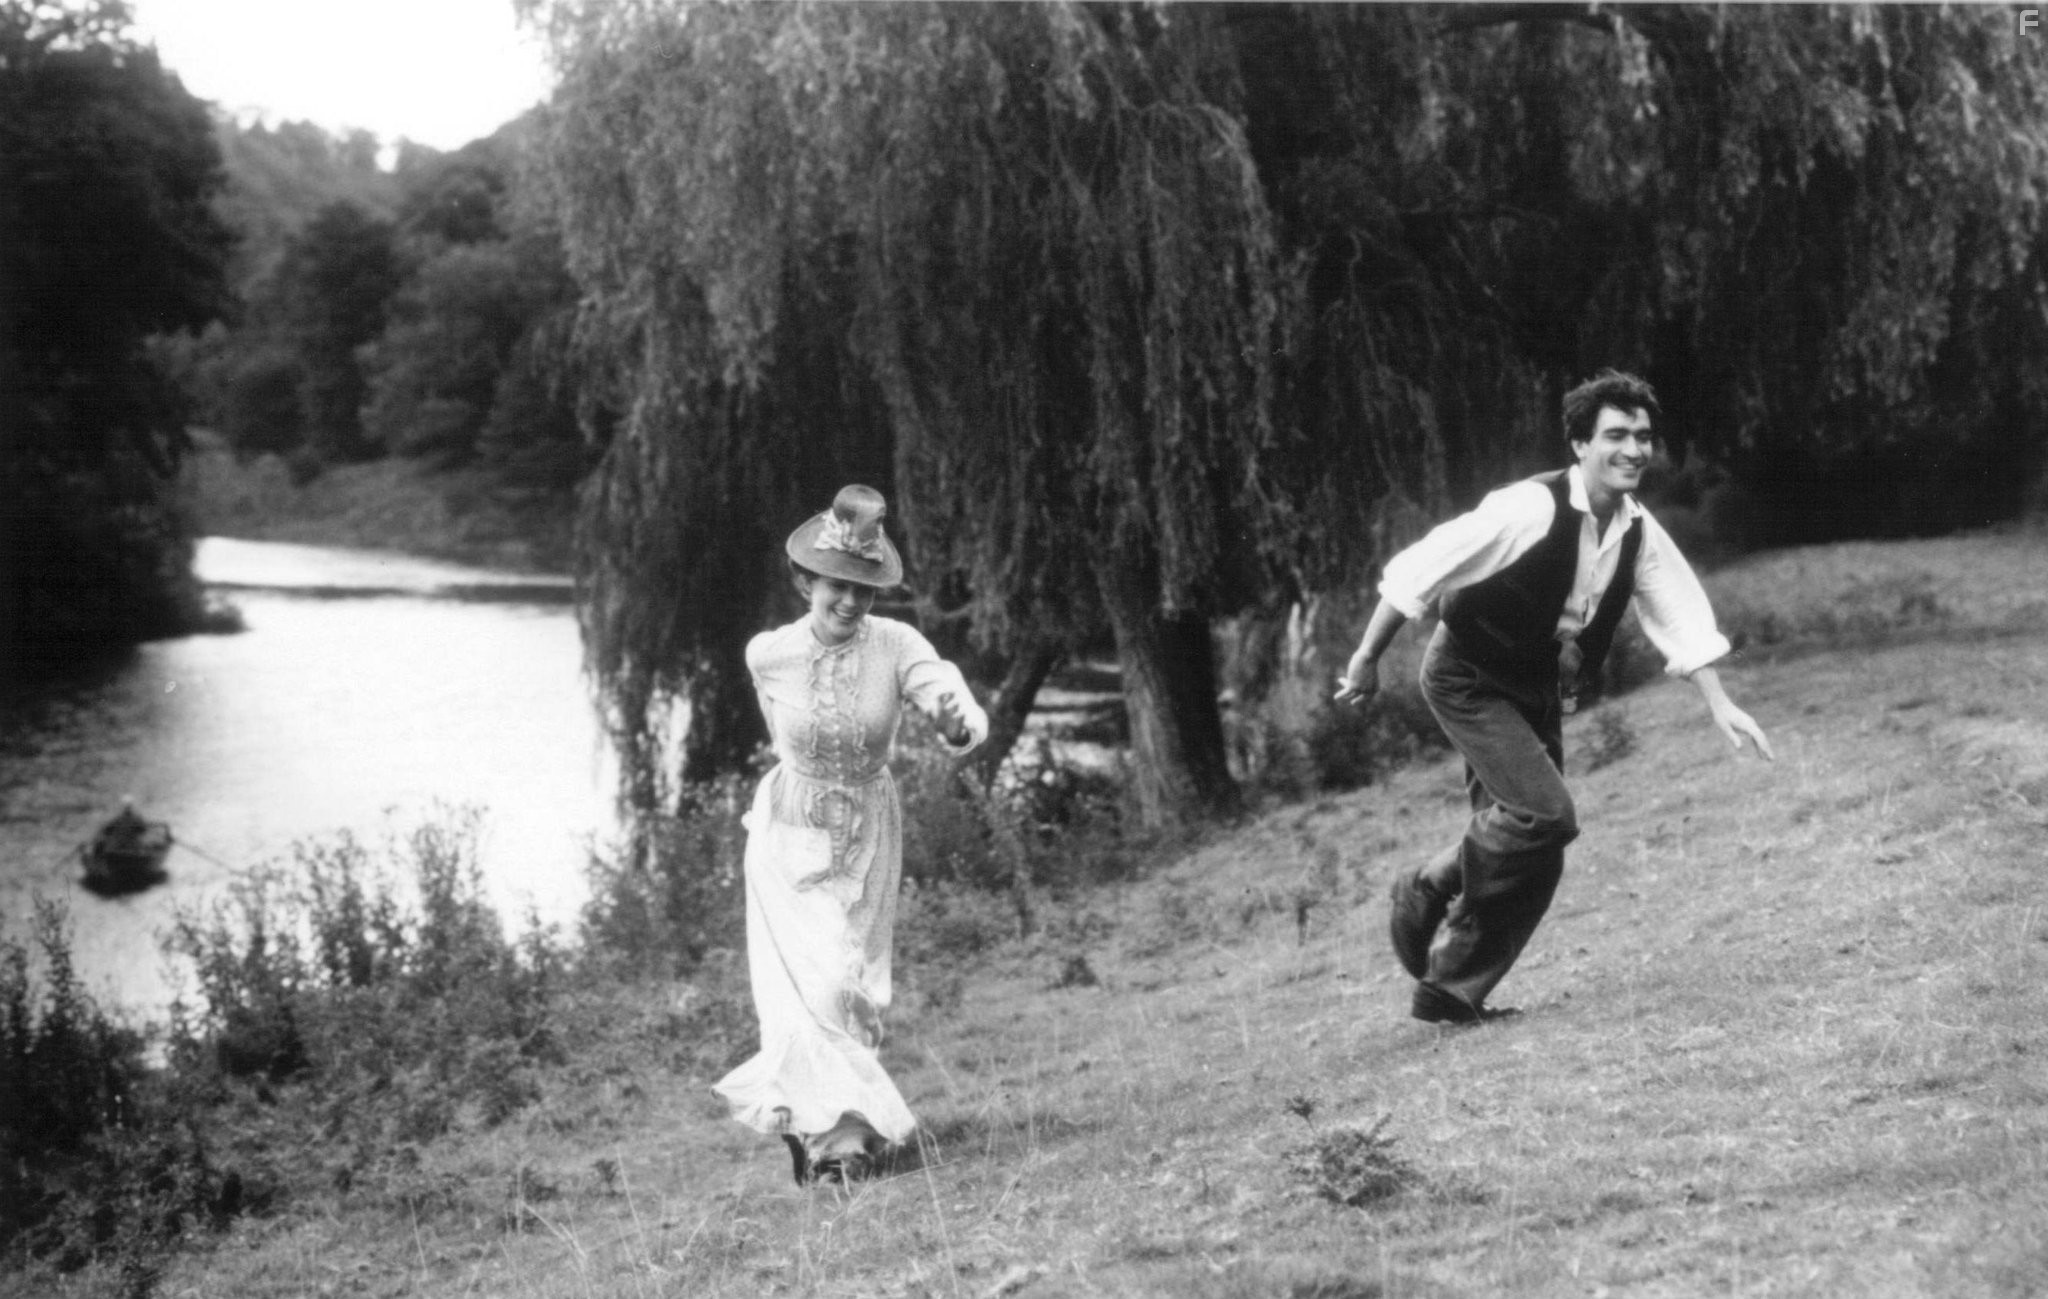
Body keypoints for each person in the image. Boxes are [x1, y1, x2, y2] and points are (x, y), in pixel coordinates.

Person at [1333, 369, 1774, 1026]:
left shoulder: (1636, 528)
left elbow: (1677, 611)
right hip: (1468, 673)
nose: (1633, 450)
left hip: (1538, 685)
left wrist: (1719, 701)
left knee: (1537, 848)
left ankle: (1451, 988)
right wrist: (1367, 659)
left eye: (1644, 437)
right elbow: (1423, 570)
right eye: (1616, 435)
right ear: (1579, 444)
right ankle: (1425, 883)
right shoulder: (1529, 507)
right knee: (1545, 815)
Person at [713, 484, 989, 1183]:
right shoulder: (766, 653)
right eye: (838, 586)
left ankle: (827, 1128)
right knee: (809, 986)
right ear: (807, 580)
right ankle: (837, 1140)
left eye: (865, 590)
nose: (850, 602)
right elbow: (782, 732)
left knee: (852, 986)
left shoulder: (896, 643)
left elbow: (942, 689)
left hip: (867, 827)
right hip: (788, 828)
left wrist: (958, 721)